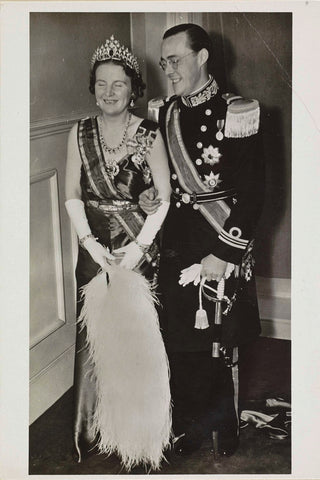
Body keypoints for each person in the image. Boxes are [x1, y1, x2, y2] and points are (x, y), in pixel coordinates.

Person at [141, 23, 265, 457]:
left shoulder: (238, 111)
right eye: (164, 62)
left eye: (175, 60)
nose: (168, 70)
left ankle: (221, 424)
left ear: (203, 57)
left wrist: (224, 252)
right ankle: (183, 425)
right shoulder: (162, 113)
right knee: (174, 338)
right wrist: (148, 193)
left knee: (216, 341)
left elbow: (253, 192)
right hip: (174, 242)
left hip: (218, 241)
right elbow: (155, 178)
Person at [65, 36, 172, 470]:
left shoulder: (148, 133)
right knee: (92, 340)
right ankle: (90, 431)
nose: (110, 93)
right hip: (93, 246)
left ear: (134, 89)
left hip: (136, 245)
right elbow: (72, 193)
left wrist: (139, 248)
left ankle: (139, 436)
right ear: (93, 87)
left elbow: (163, 197)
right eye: (102, 84)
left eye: (119, 85)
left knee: (137, 341)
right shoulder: (79, 132)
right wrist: (89, 243)